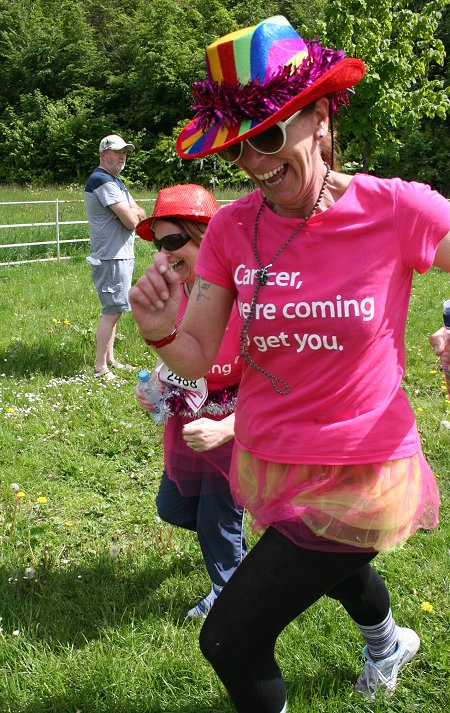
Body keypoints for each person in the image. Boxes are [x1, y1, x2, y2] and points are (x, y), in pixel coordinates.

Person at [129, 16, 450, 713]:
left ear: (321, 117)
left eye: (269, 136)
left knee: (231, 638)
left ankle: (384, 643)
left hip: (362, 466)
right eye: (239, 147)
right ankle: (388, 642)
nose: (254, 163)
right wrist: (160, 334)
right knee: (335, 570)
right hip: (277, 455)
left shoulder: (394, 209)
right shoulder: (232, 230)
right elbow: (201, 354)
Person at [134, 184, 246, 617]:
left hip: (230, 420)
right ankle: (235, 552)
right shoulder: (175, 288)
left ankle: (230, 594)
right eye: (159, 245)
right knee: (175, 507)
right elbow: (176, 356)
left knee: (217, 513)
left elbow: (267, 375)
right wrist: (159, 387)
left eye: (174, 241)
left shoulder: (241, 289)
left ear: (208, 233)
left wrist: (228, 423)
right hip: (189, 418)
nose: (163, 255)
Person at [84, 134, 146, 380]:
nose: (122, 156)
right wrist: (132, 212)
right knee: (112, 310)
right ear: (103, 155)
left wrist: (133, 211)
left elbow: (140, 212)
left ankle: (111, 359)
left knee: (116, 308)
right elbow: (133, 220)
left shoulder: (116, 182)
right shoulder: (102, 180)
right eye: (117, 151)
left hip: (118, 254)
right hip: (111, 256)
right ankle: (101, 368)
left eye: (125, 152)